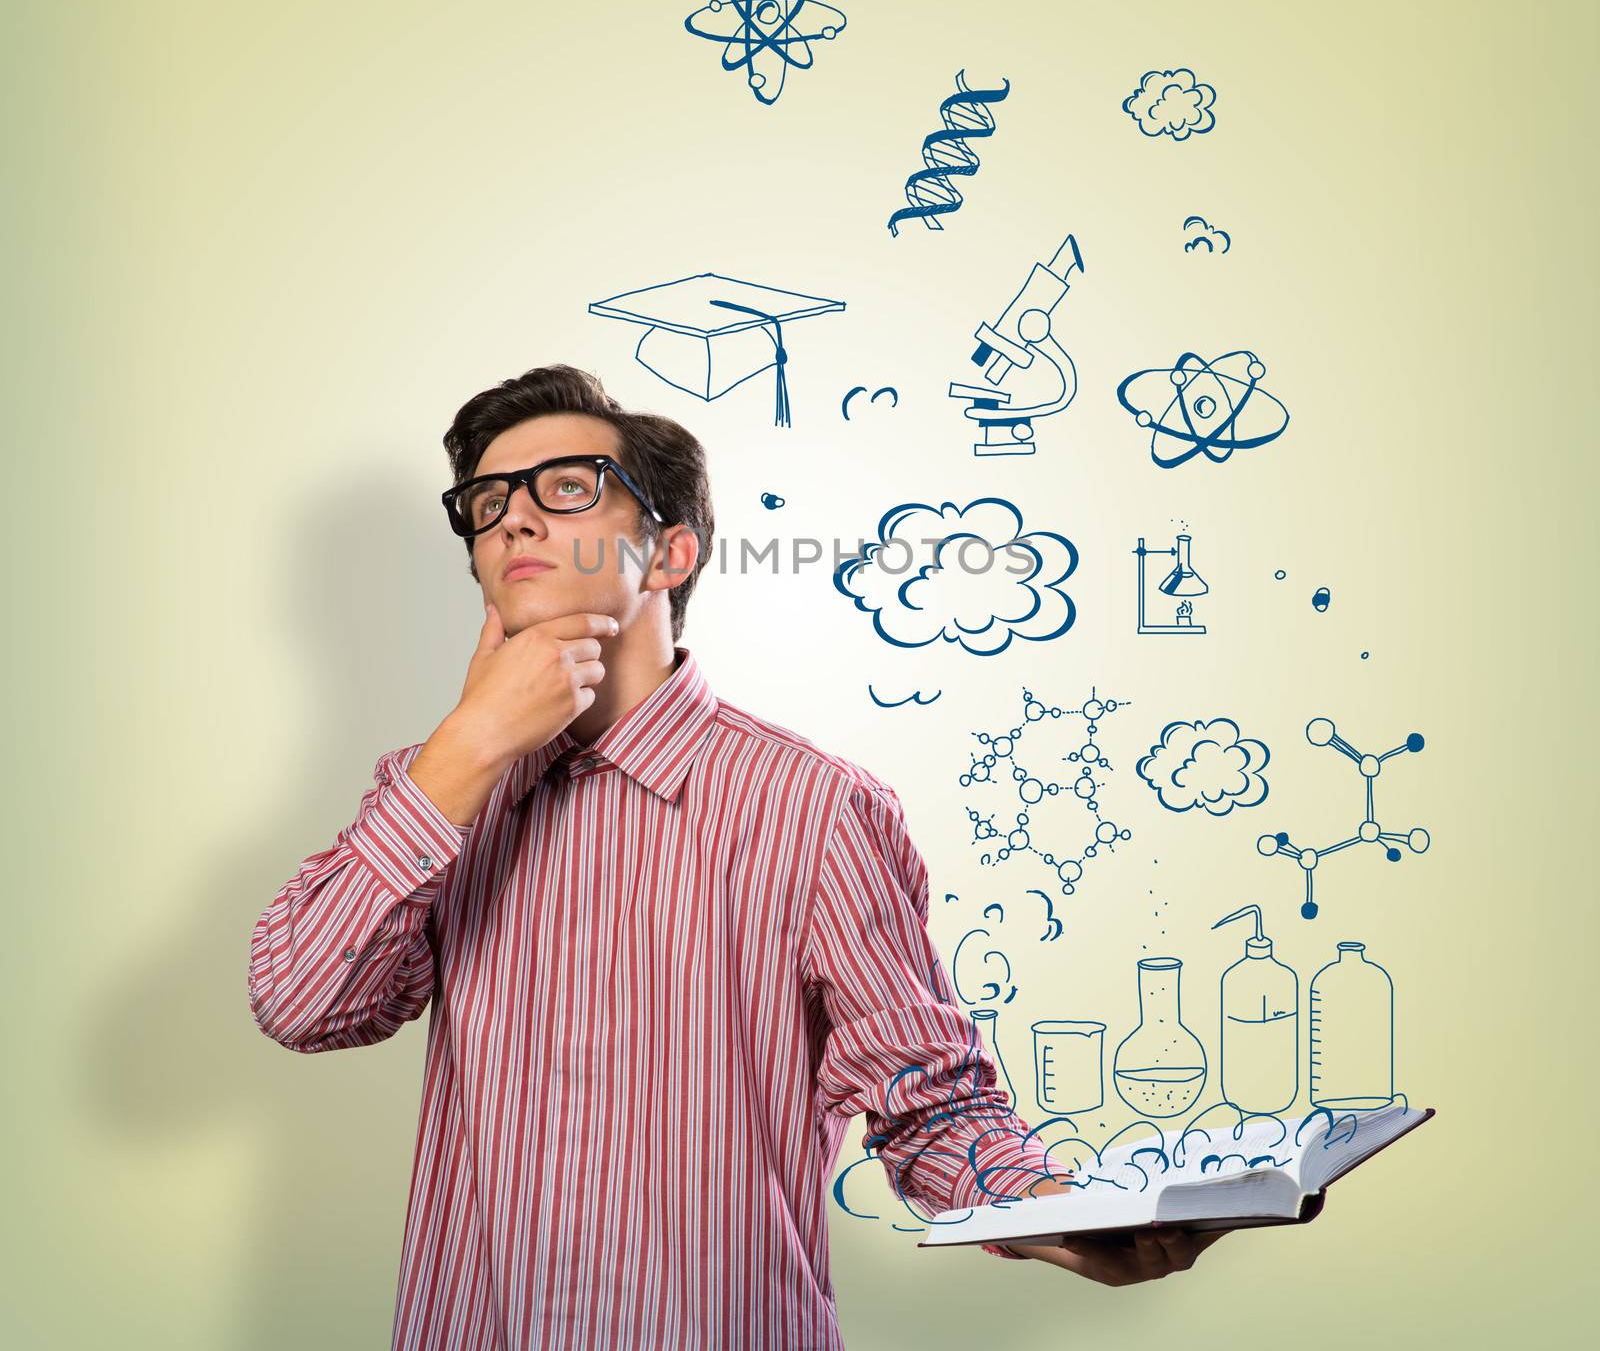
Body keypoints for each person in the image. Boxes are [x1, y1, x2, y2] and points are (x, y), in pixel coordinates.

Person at [248, 364, 1222, 1350]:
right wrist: (462, 751)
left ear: (669, 552)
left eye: (567, 486)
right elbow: (303, 1003)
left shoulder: (815, 806)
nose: (514, 519)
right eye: (488, 501)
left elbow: (926, 1098)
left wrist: (1050, 1209)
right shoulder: (432, 790)